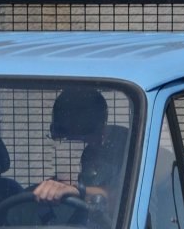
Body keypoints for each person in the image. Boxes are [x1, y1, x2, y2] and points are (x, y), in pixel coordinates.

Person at [33, 88, 128, 216]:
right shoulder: (32, 198)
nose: (72, 143)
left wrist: (77, 191)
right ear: (53, 130)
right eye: (62, 132)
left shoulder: (124, 153)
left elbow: (123, 200)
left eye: (83, 131)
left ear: (102, 130)